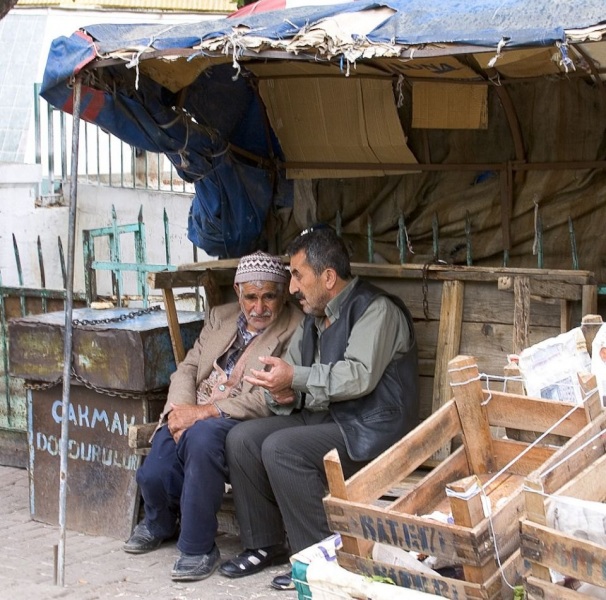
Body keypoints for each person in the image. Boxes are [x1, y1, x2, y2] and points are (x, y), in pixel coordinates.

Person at [218, 227, 419, 590]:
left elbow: (358, 376)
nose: (292, 287)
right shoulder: (313, 316)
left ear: (328, 277)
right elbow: (296, 378)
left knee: (282, 450)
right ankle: (263, 544)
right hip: (332, 420)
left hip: (372, 429)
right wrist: (285, 395)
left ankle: (322, 561)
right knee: (243, 438)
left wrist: (295, 380)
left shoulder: (377, 309)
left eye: (298, 275)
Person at [123, 251, 303, 582]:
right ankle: (161, 523)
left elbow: (269, 397)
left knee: (202, 440)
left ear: (283, 293)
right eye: (251, 297)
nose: (258, 307)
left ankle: (197, 546)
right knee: (154, 471)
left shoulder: (297, 326)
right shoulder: (221, 316)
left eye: (269, 297)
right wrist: (180, 411)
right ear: (238, 292)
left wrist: (206, 413)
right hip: (194, 406)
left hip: (237, 417)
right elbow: (188, 368)